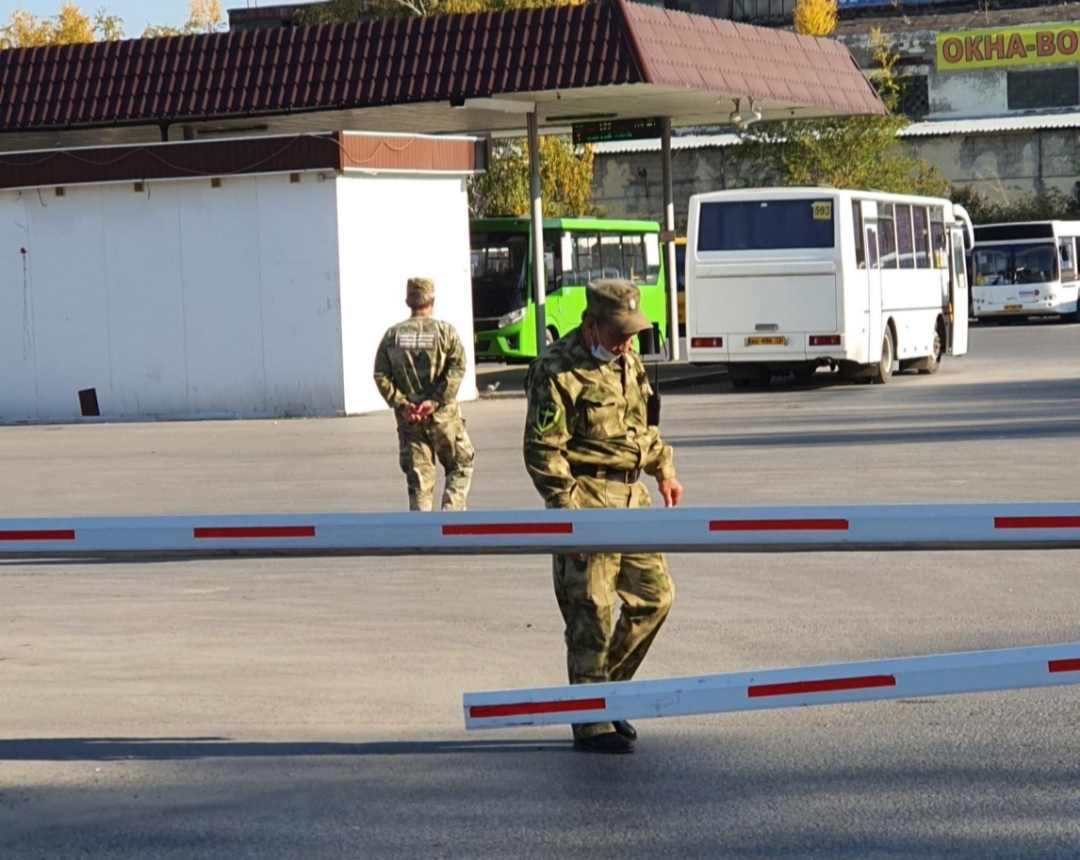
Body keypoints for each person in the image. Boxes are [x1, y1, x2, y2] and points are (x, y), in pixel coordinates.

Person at [523, 279, 683, 754]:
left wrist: (664, 468)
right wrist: (567, 518)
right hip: (587, 498)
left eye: (632, 334)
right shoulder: (556, 369)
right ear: (591, 325)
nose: (627, 343)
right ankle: (591, 723)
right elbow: (542, 451)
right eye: (618, 334)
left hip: (632, 499)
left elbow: (642, 428)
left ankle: (602, 697)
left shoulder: (627, 361)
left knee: (655, 598)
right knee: (591, 615)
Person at [374, 277, 475, 512]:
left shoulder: (392, 336)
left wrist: (402, 403)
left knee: (419, 483)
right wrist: (436, 400)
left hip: (410, 422)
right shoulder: (445, 332)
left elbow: (380, 374)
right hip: (444, 420)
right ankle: (451, 520)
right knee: (460, 466)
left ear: (408, 301)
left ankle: (423, 528)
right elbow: (457, 367)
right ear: (432, 301)